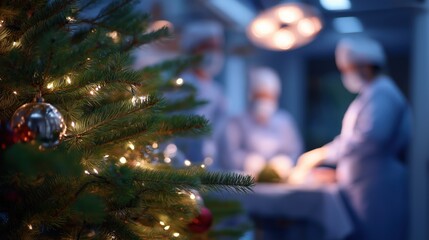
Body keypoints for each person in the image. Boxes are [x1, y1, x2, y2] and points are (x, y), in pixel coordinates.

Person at [290, 36, 411, 240]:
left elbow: (369, 140)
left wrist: (325, 153)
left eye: (347, 69)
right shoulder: (370, 95)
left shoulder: (383, 94)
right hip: (365, 189)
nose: (346, 75)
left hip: (378, 192)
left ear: (365, 66)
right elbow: (355, 140)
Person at [221, 66, 303, 179]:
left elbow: (294, 151)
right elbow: (228, 154)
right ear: (251, 95)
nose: (265, 101)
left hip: (278, 181)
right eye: (260, 96)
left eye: (269, 96)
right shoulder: (237, 122)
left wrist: (285, 162)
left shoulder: (284, 122)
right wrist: (246, 161)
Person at [174, 20, 227, 165]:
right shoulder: (180, 87)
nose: (214, 53)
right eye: (208, 47)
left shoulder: (217, 91)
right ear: (193, 50)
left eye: (218, 47)